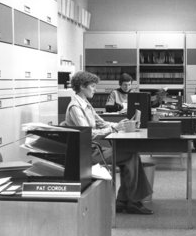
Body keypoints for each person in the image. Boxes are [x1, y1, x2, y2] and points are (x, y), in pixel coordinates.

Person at [65, 71, 153, 215]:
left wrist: (119, 124)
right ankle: (129, 201)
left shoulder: (85, 103)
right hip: (87, 154)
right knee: (131, 155)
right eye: (92, 86)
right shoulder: (75, 107)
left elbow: (101, 123)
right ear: (82, 86)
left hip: (94, 149)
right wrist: (114, 128)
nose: (95, 89)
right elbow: (88, 134)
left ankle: (126, 201)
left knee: (131, 155)